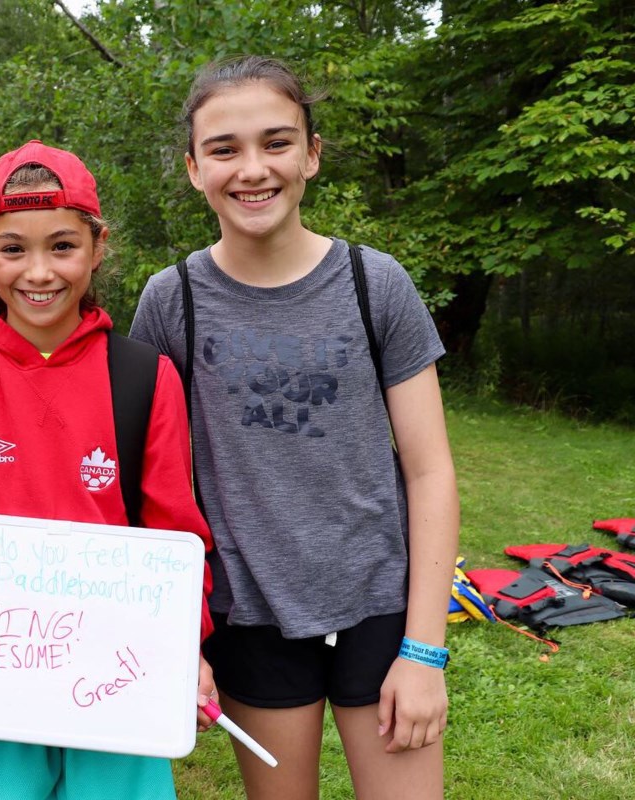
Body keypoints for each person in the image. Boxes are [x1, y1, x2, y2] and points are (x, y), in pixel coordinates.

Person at [130, 56, 459, 800]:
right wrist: (173, 639)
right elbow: (150, 486)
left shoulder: (376, 284)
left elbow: (430, 471)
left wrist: (425, 651)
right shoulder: (169, 301)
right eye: (224, 149)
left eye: (277, 142)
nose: (253, 169)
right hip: (250, 614)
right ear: (193, 168)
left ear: (311, 154)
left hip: (382, 606)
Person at [0, 140, 217, 799]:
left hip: (121, 684)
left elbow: (179, 536)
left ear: (97, 246)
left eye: (62, 246)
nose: (39, 271)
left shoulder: (145, 378)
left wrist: (186, 645)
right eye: (13, 249)